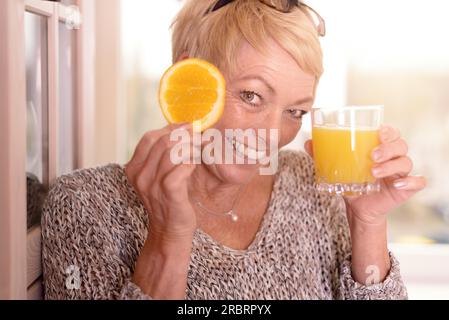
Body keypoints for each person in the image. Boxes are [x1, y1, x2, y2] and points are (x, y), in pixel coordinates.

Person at [42, 0, 426, 300]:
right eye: (252, 95)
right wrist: (168, 237)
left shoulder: (315, 184)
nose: (274, 134)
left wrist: (367, 222)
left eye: (295, 111)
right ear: (190, 79)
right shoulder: (86, 204)